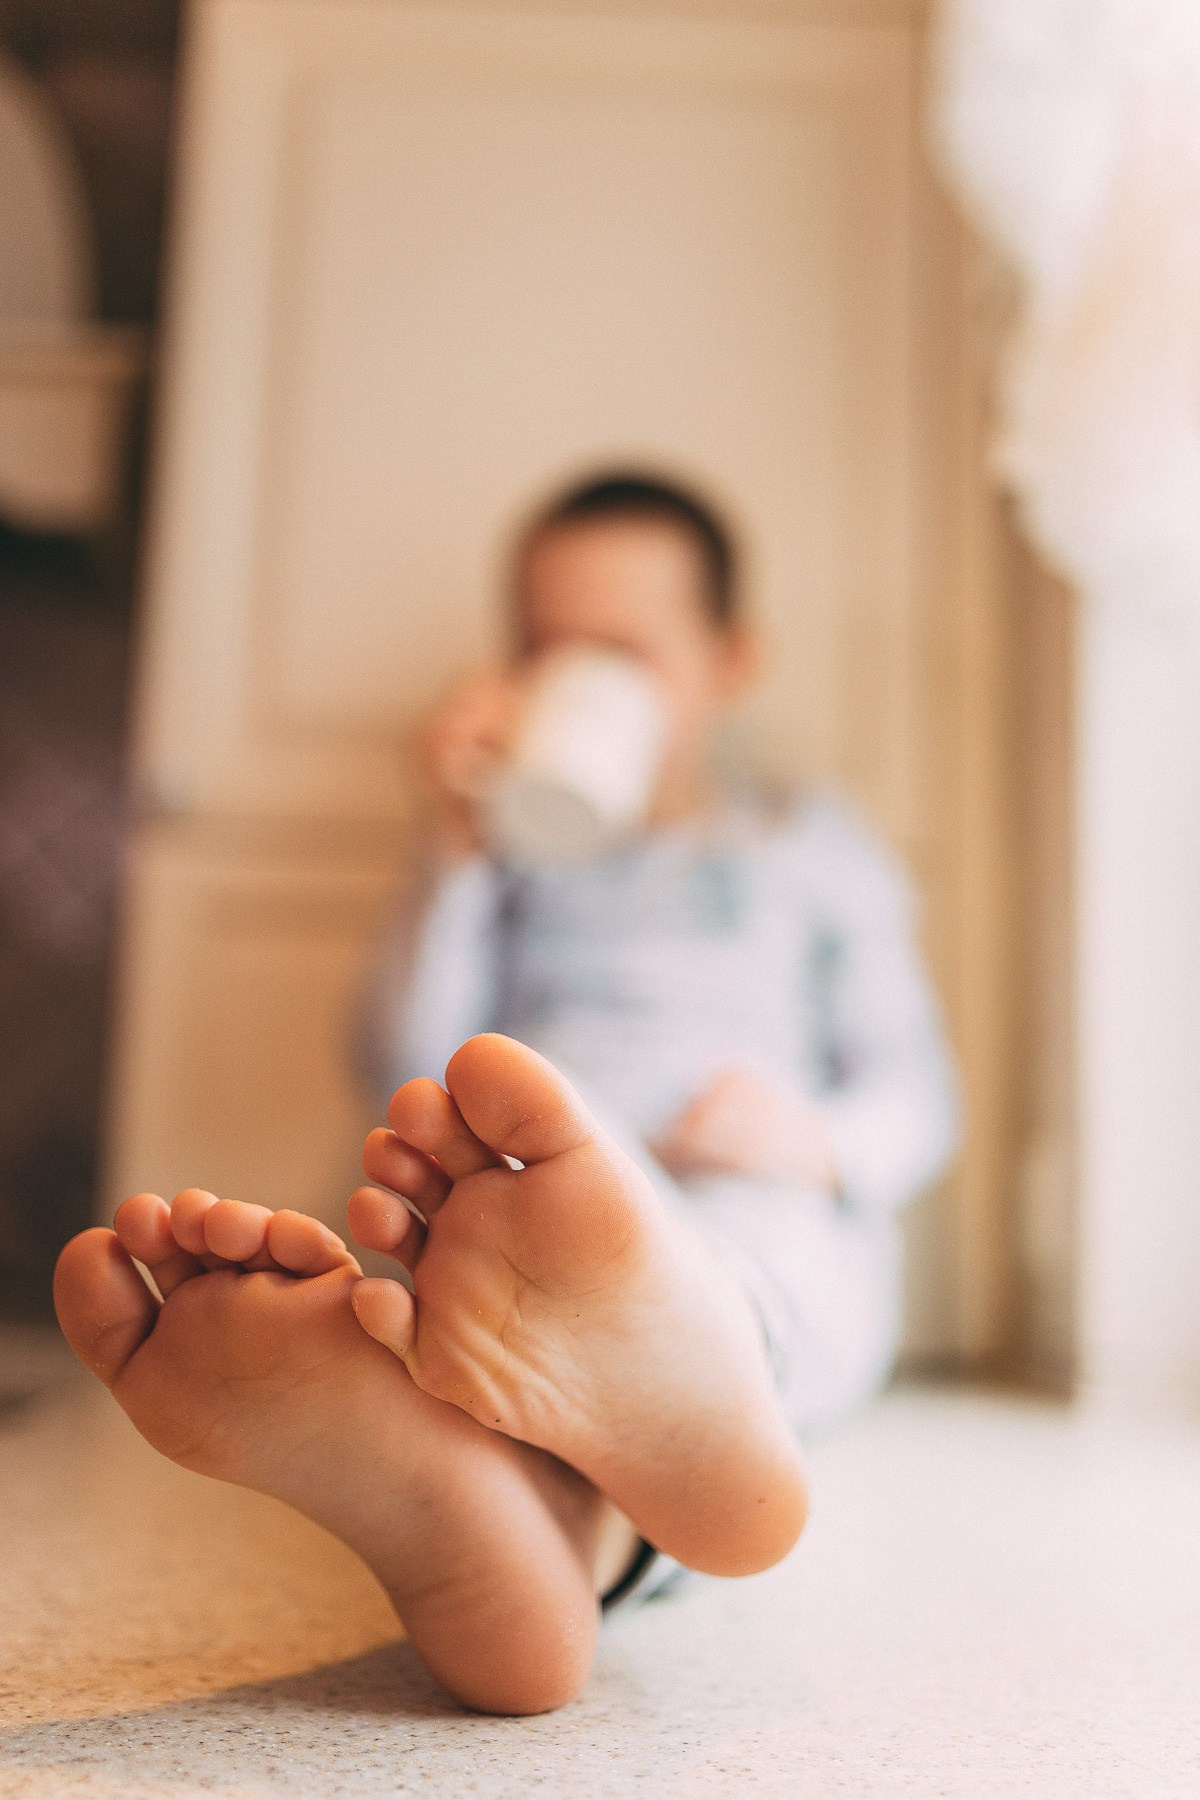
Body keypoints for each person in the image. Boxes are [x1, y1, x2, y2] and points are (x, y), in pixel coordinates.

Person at [53, 471, 957, 1718]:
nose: (575, 680)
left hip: (738, 1184)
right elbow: (403, 1063)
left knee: (771, 1258)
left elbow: (918, 1093)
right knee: (469, 1245)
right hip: (536, 1207)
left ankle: (582, 1428)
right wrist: (453, 853)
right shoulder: (509, 857)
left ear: (728, 662)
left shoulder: (810, 847)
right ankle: (551, 1516)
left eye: (621, 653)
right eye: (545, 650)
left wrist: (815, 1142)